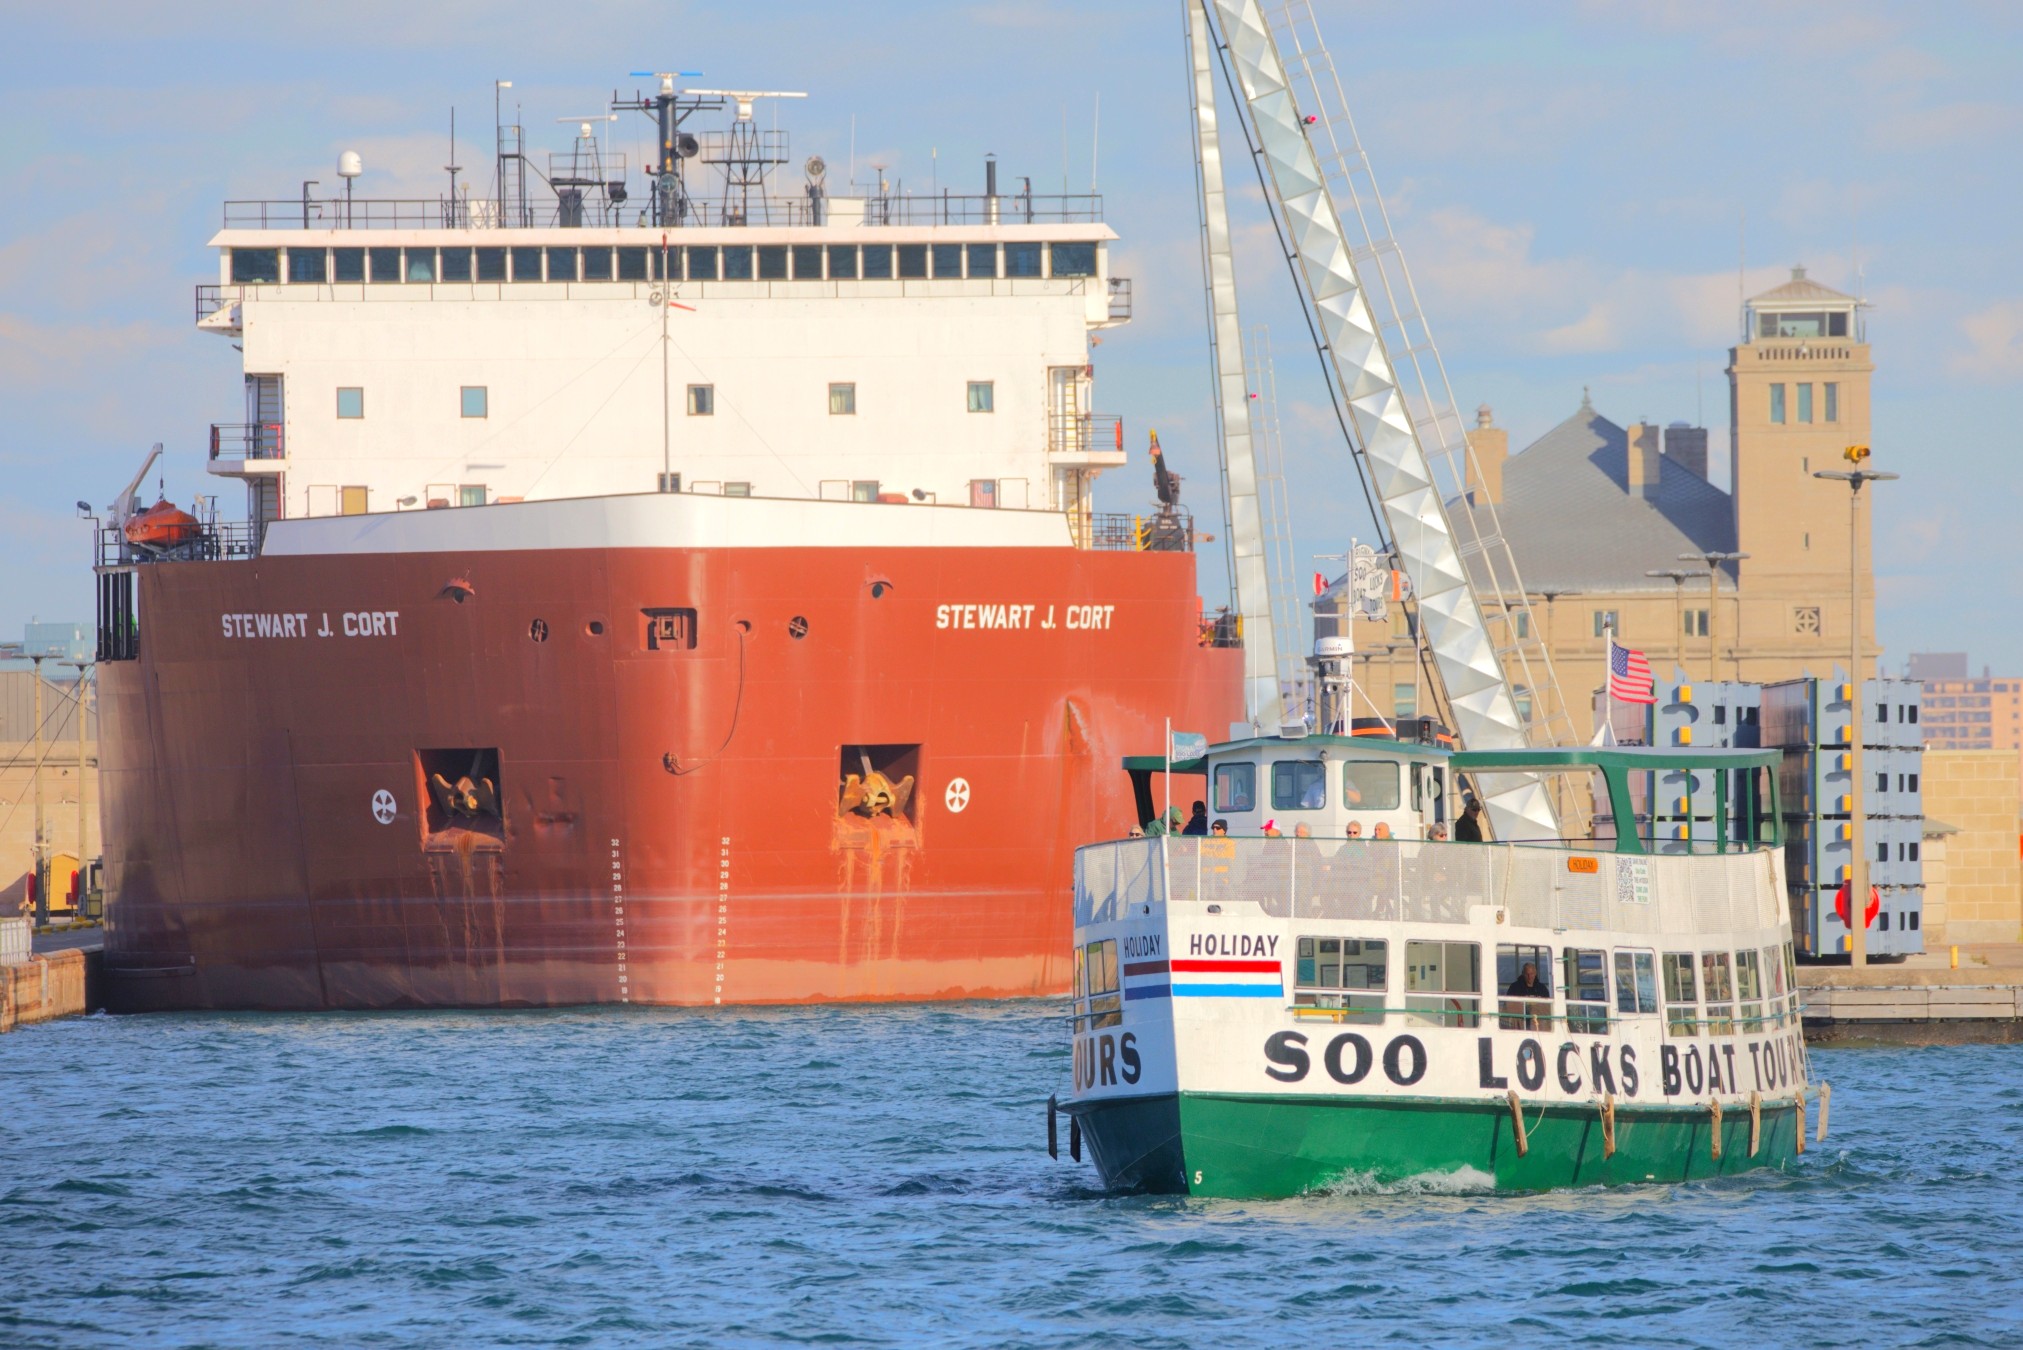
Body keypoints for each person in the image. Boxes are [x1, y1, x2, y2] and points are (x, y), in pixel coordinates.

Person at [1503, 960, 1550, 1030]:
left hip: (1538, 1024)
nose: (1529, 976)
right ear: (1523, 974)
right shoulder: (1514, 987)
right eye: (1527, 974)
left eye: (1531, 974)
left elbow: (1547, 1007)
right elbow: (1508, 1006)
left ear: (1535, 973)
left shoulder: (1542, 988)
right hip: (1519, 1023)